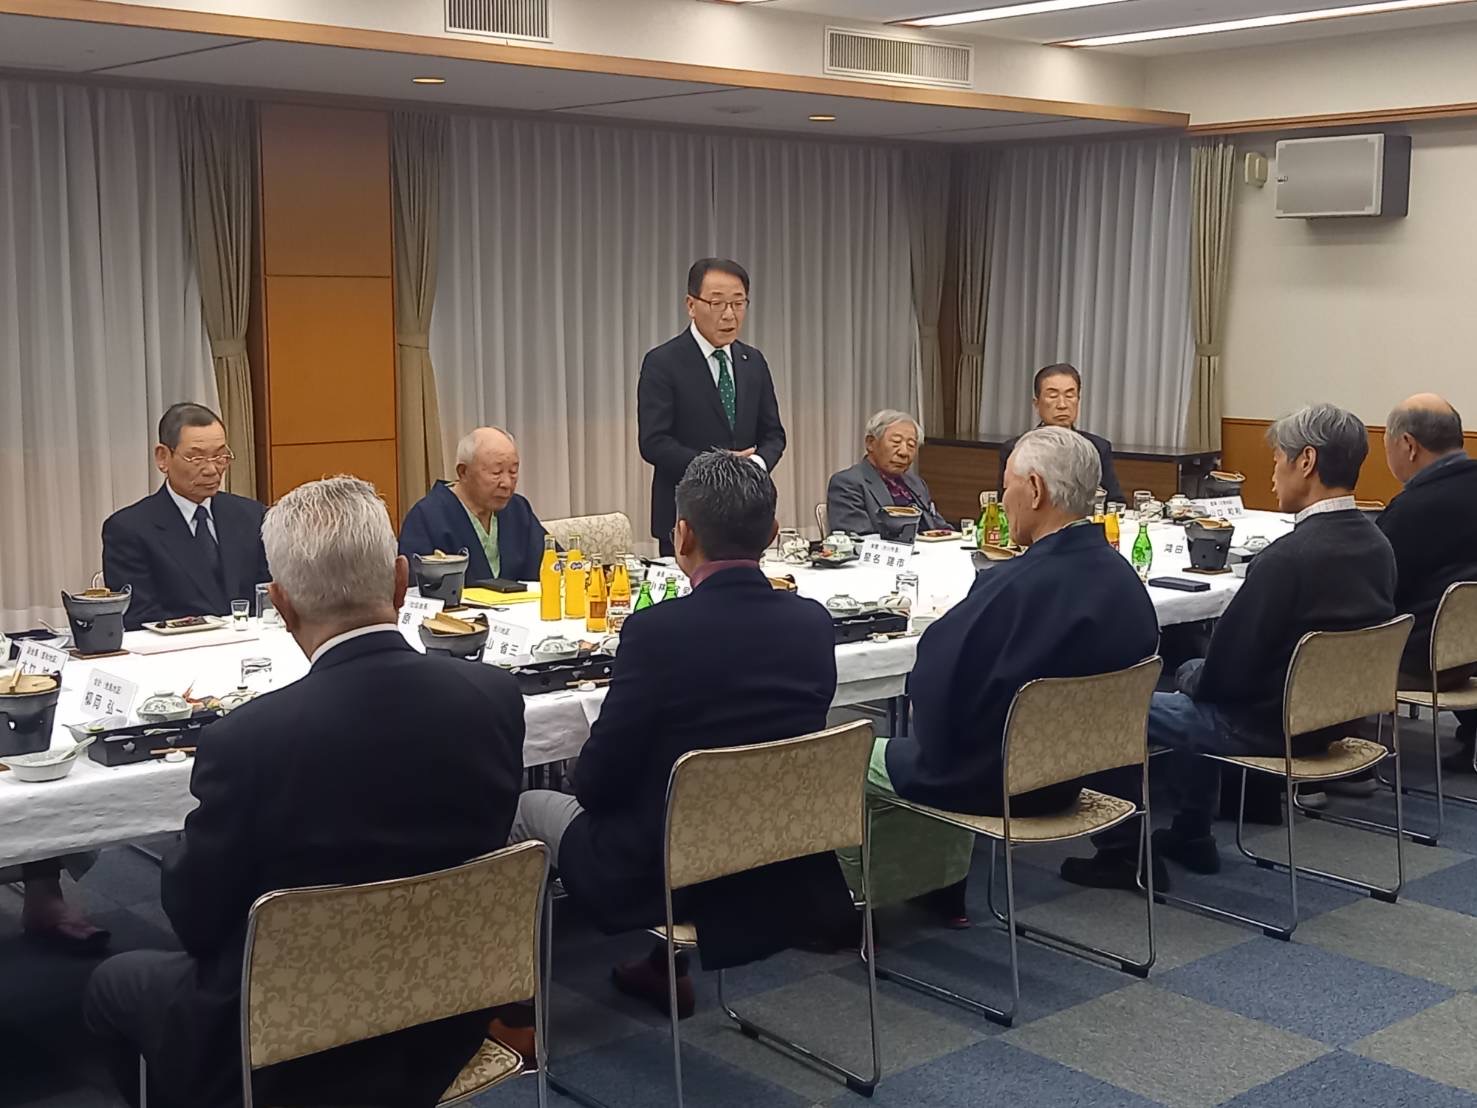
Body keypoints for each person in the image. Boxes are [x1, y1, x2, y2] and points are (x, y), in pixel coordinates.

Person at [84, 476, 527, 1108]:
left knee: (114, 984)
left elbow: (196, 918)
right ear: (402, 583)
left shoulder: (247, 741)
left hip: (283, 1035)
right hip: (445, 1013)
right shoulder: (492, 698)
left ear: (282, 605)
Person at [509, 451, 850, 1017]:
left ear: (682, 534)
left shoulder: (657, 633)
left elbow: (595, 786)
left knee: (523, 805)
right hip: (776, 858)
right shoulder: (812, 623)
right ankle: (659, 967)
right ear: (770, 533)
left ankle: (513, 1013)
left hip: (662, 870)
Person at [1063, 404, 1397, 889]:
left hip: (1266, 726)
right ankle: (1191, 834)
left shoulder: (1287, 559)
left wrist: (1190, 675)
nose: (1273, 470)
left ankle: (1124, 854)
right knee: (1191, 672)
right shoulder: (1377, 544)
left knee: (1106, 700)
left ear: (1305, 461)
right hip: (1333, 720)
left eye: (1279, 457)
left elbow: (1224, 677)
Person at [855, 428, 1159, 911]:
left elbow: (933, 685)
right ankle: (936, 891)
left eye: (1007, 486)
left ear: (1035, 490)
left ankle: (893, 898)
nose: (1004, 499)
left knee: (859, 754)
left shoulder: (1012, 587)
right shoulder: (1124, 580)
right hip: (1077, 776)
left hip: (999, 781)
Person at [637, 258, 786, 555]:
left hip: (748, 514)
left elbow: (774, 435)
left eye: (738, 303)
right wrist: (720, 467)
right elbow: (654, 443)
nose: (729, 315)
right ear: (691, 305)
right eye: (718, 303)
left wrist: (753, 465)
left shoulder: (752, 361)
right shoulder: (663, 362)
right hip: (688, 517)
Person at [102, 402, 269, 631]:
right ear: (163, 457)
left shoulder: (252, 516)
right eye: (196, 458)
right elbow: (138, 618)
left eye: (220, 456)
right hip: (175, 654)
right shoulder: (129, 529)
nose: (212, 469)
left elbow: (268, 597)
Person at [1380, 394, 1477, 771]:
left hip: (1421, 660)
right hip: (1466, 652)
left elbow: (1377, 589)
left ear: (1407, 445)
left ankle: (1328, 768)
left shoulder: (1412, 511)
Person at [399, 426, 549, 582]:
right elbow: (415, 588)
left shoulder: (518, 509)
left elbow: (552, 563)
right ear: (463, 472)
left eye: (513, 471)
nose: (507, 483)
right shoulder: (427, 517)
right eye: (496, 473)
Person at [998, 364, 1123, 504]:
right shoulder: (1017, 449)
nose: (1062, 404)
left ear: (1078, 400)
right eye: (1052, 396)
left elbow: (1115, 503)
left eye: (1070, 395)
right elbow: (1006, 504)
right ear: (1036, 403)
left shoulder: (1097, 447)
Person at [826, 409, 953, 538]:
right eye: (896, 442)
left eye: (911, 445)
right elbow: (858, 538)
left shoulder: (916, 483)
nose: (904, 452)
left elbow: (939, 527)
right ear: (870, 443)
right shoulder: (847, 483)